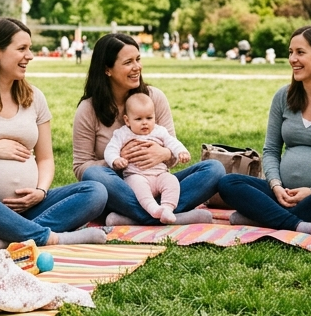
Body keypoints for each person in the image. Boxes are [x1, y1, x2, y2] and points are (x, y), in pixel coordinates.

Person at [0, 17, 108, 249]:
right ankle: (47, 237)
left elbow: (45, 159)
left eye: (30, 48)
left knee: (95, 191)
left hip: (30, 207)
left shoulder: (35, 97)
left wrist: (40, 191)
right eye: (22, 49)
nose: (30, 56)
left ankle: (8, 237)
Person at [218, 25, 311, 238]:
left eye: (300, 52)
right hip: (282, 193)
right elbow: (270, 151)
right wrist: (276, 186)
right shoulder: (283, 97)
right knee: (228, 183)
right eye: (291, 52)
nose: (292, 59)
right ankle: (296, 223)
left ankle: (264, 217)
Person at [72, 33, 224, 226]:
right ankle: (168, 216)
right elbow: (81, 168)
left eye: (138, 59)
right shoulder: (88, 109)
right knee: (94, 175)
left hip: (158, 181)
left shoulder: (154, 98)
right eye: (128, 62)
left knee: (214, 169)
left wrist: (165, 153)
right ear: (107, 69)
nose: (137, 67)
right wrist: (116, 161)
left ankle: (136, 217)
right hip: (120, 189)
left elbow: (172, 151)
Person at [104, 92, 191, 223]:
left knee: (172, 181)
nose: (144, 123)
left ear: (154, 117)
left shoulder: (159, 131)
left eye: (149, 118)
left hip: (160, 174)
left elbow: (172, 142)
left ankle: (167, 209)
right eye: (138, 119)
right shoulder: (123, 133)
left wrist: (181, 152)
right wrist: (116, 159)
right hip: (136, 175)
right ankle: (153, 210)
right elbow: (111, 149)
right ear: (127, 120)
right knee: (139, 187)